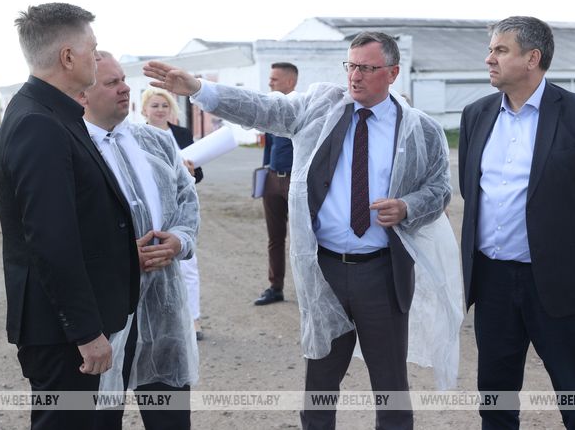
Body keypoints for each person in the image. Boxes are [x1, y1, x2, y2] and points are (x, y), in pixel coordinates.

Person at [144, 31, 462, 429]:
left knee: (391, 385)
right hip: (324, 272)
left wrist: (407, 206)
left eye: (367, 68)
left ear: (393, 73)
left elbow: (439, 189)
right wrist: (199, 89)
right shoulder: (321, 107)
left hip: (382, 273)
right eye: (351, 66)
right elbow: (263, 108)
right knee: (320, 386)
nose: (355, 76)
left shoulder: (419, 129)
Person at [459, 16, 575, 429]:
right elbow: (472, 189)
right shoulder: (476, 114)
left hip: (556, 279)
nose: (489, 59)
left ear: (532, 58)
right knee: (496, 398)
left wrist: (559, 230)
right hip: (492, 280)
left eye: (501, 50)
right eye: (490, 50)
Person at [0, 3, 140, 429]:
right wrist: (85, 332)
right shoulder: (38, 124)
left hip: (65, 327)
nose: (97, 55)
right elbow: (51, 240)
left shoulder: (54, 113)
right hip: (60, 334)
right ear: (68, 57)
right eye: (92, 48)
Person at [85, 53, 199, 430]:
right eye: (111, 83)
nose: (125, 88)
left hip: (163, 307)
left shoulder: (155, 141)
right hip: (105, 313)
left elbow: (186, 199)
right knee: (100, 417)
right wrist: (119, 256)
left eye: (124, 79)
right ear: (83, 93)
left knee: (169, 416)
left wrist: (179, 240)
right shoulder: (74, 148)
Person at [140, 87, 205, 340]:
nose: (160, 110)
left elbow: (199, 174)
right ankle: (156, 322)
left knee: (189, 264)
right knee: (155, 263)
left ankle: (194, 319)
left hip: (182, 208)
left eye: (164, 105)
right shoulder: (137, 136)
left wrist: (190, 173)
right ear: (144, 110)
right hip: (152, 209)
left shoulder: (182, 134)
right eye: (155, 105)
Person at [254, 62, 298, 306]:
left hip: (296, 181)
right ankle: (275, 287)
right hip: (272, 180)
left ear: (290, 82)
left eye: (274, 79)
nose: (270, 83)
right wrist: (265, 173)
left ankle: (312, 287)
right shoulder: (271, 111)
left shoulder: (302, 109)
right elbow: (269, 145)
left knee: (304, 238)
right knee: (275, 238)